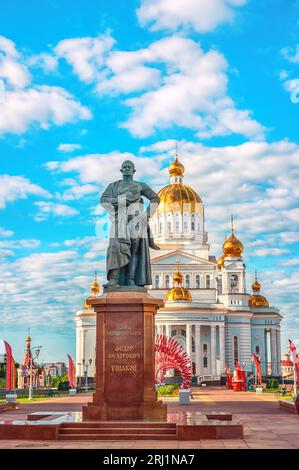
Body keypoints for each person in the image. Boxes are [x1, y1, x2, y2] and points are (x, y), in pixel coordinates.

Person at [100, 160, 160, 288]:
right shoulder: (113, 186)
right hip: (119, 220)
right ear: (121, 170)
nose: (127, 169)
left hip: (136, 220)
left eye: (129, 167)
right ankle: (114, 279)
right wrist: (120, 200)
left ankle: (132, 279)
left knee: (134, 251)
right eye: (124, 167)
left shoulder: (140, 186)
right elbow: (103, 199)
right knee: (115, 247)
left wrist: (147, 214)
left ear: (134, 170)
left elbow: (155, 198)